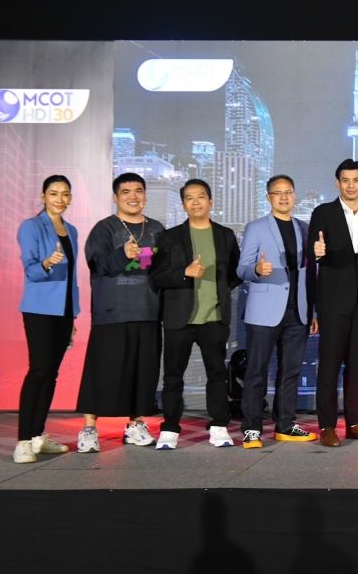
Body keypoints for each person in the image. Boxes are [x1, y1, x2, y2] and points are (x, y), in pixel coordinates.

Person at [75, 173, 163, 453]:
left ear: (145, 195)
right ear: (115, 197)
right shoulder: (104, 228)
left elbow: (163, 268)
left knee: (143, 373)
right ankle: (89, 428)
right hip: (111, 312)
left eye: (138, 191)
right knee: (102, 371)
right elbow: (96, 263)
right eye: (126, 192)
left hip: (148, 311)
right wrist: (123, 253)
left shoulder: (157, 229)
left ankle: (135, 424)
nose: (133, 197)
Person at [149, 179, 241, 450]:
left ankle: (219, 426)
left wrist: (218, 292)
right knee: (173, 377)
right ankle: (170, 428)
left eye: (201, 196)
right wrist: (184, 274)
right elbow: (156, 276)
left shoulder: (225, 235)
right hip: (179, 318)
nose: (196, 202)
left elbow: (235, 273)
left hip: (214, 318)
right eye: (189, 198)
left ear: (210, 201)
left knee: (217, 374)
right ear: (183, 204)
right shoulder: (170, 237)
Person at [307, 159, 358, 446]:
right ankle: (327, 426)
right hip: (332, 302)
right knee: (328, 366)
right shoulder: (323, 213)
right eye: (345, 180)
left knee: (357, 366)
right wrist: (315, 251)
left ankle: (355, 423)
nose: (351, 185)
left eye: (356, 180)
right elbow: (311, 255)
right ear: (337, 183)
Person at [237, 175, 318, 449]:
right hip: (264, 311)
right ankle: (251, 429)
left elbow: (311, 275)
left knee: (291, 371)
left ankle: (285, 424)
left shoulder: (305, 229)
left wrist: (313, 312)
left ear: (294, 196)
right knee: (256, 371)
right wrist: (257, 270)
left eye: (288, 192)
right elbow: (241, 269)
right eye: (277, 192)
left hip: (298, 311)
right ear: (268, 197)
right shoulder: (256, 228)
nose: (283, 197)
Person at [13, 175, 80, 463]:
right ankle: (23, 441)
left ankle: (38, 436)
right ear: (43, 196)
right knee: (39, 370)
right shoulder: (31, 226)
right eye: (54, 193)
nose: (60, 199)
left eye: (65, 194)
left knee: (51, 373)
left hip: (64, 310)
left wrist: (73, 315)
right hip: (39, 308)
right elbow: (29, 269)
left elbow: (73, 276)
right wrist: (46, 263)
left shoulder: (72, 230)